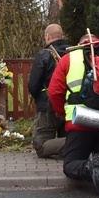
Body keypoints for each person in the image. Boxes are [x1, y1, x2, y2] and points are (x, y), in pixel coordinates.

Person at [47, 34, 99, 196]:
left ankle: (90, 167)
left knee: (71, 164)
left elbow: (54, 92)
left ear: (79, 44)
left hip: (80, 122)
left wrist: (63, 113)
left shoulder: (69, 58)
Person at [28, 23, 70, 158]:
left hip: (48, 104)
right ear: (61, 36)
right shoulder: (74, 53)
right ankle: (76, 144)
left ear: (47, 36)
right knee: (67, 132)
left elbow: (33, 85)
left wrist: (40, 99)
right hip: (71, 103)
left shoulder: (44, 55)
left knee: (41, 145)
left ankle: (76, 144)